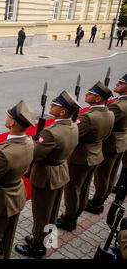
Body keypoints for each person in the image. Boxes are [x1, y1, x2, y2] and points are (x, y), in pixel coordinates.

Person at [15, 91, 81, 258]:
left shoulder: (51, 132)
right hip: (60, 171)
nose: (51, 104)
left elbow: (35, 155)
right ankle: (44, 238)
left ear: (63, 112)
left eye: (55, 104)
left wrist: (32, 141)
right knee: (52, 211)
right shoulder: (72, 125)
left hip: (46, 176)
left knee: (41, 212)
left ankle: (37, 246)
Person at [0, 100, 36, 259]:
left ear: (12, 122)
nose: (7, 117)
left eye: (8, 115)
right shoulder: (29, 141)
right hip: (17, 194)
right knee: (8, 238)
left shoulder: (3, 152)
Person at [57, 81, 115, 231]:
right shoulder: (108, 112)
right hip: (96, 153)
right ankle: (76, 214)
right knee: (84, 188)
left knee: (73, 189)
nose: (86, 94)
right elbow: (107, 134)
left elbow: (73, 135)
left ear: (97, 99)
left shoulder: (88, 117)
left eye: (90, 94)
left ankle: (69, 219)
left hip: (80, 158)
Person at [86, 74, 127, 214]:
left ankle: (96, 203)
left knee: (102, 177)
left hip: (111, 143)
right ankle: (101, 200)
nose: (117, 84)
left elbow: (105, 123)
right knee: (110, 175)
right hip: (121, 141)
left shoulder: (119, 106)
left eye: (121, 83)